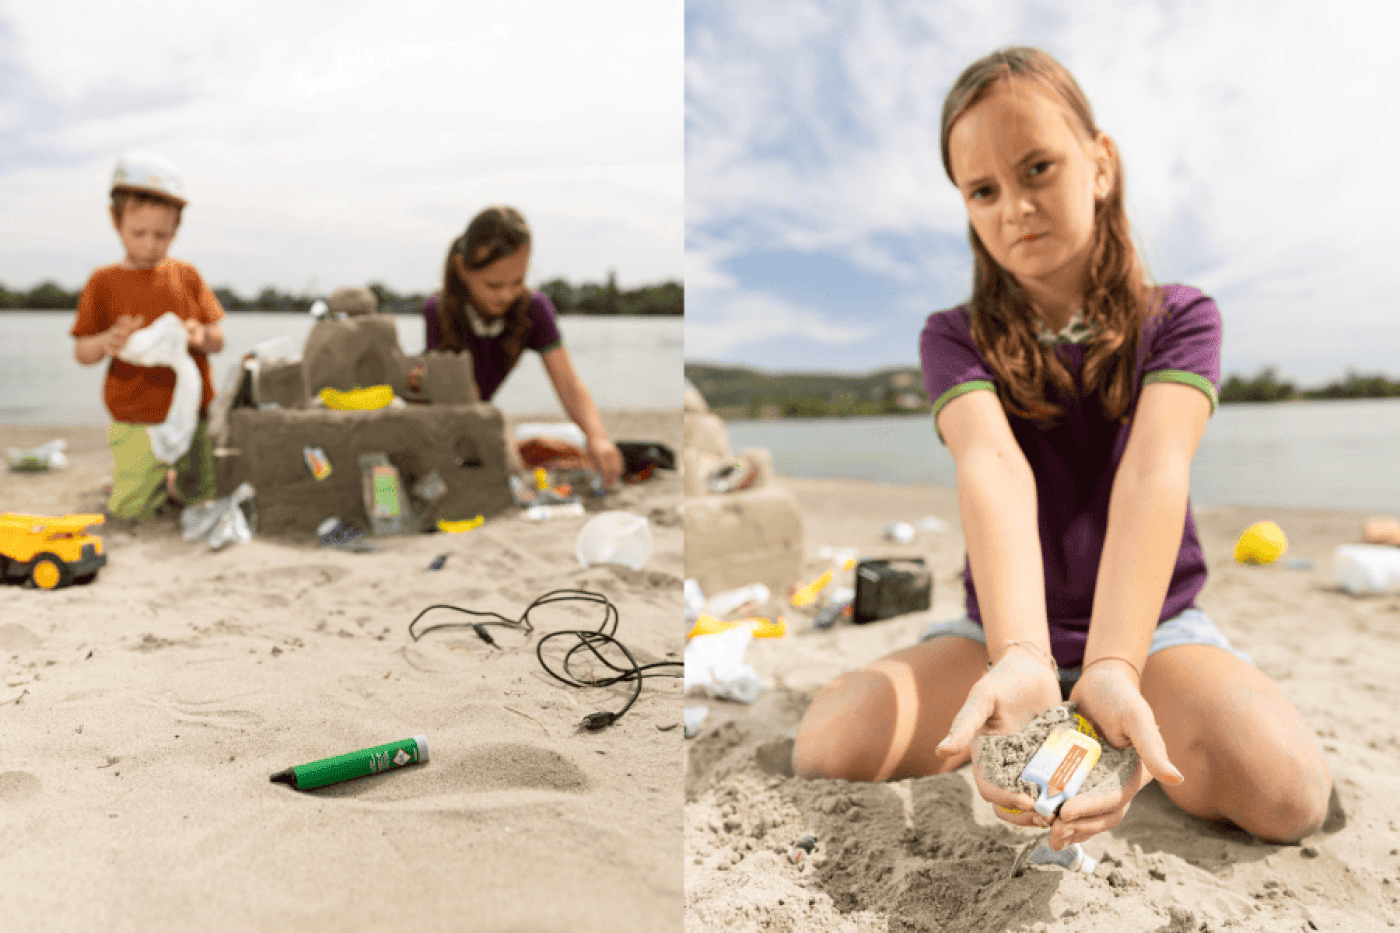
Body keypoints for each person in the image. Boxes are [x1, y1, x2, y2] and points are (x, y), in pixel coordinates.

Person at [792, 47, 1331, 851]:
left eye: (1037, 168)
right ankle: (1049, 705)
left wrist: (1116, 664)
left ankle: (1118, 717)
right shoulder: (956, 335)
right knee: (829, 743)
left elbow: (1156, 469)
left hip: (1153, 630)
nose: (1015, 206)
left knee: (1286, 791)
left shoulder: (1180, 318)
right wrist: (1019, 656)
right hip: (1005, 633)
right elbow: (992, 467)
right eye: (983, 190)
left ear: (1100, 163)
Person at [71, 150, 225, 519]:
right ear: (115, 220)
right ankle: (145, 480)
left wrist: (199, 335)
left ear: (176, 228)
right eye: (138, 233)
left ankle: (172, 482)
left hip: (194, 413)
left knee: (200, 496)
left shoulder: (186, 275)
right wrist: (106, 341)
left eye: (163, 234)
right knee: (131, 510)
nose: (150, 244)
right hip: (135, 415)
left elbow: (218, 339)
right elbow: (82, 351)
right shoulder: (103, 282)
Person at [422, 206, 624, 488]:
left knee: (562, 451)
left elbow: (569, 383)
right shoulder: (438, 311)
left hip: (480, 416)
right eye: (493, 285)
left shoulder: (534, 309)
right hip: (446, 419)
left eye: (517, 281)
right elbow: (461, 394)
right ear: (462, 268)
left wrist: (597, 437)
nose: (506, 295)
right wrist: (499, 444)